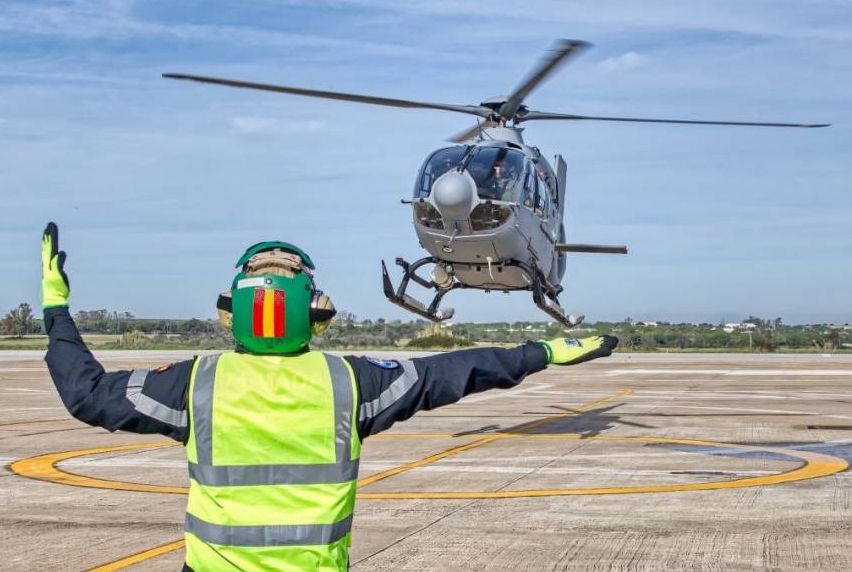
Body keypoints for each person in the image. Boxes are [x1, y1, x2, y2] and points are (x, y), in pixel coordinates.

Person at [40, 222, 618, 572]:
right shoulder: (353, 383)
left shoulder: (195, 383)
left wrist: (57, 310)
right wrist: (543, 352)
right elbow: (458, 371)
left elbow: (86, 393)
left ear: (230, 314)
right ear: (317, 315)